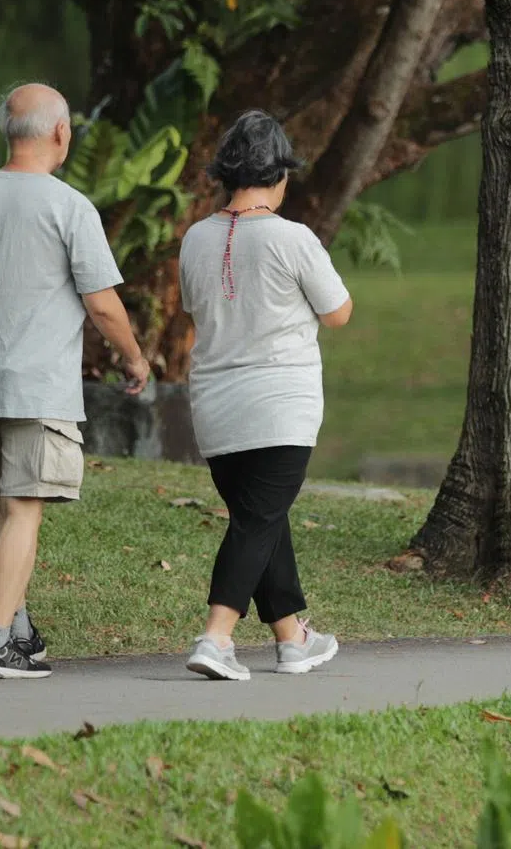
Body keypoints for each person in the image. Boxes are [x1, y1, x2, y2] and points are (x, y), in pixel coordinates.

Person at [0, 82, 151, 680]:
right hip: (37, 384)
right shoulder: (68, 208)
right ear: (61, 134)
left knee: (0, 503)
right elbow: (105, 305)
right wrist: (135, 360)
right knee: (22, 504)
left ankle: (16, 627)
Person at [179, 110, 353, 681]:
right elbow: (339, 312)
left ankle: (293, 639)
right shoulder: (292, 237)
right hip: (280, 405)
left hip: (215, 408)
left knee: (261, 518)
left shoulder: (195, 239)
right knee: (256, 521)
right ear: (279, 174)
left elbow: (199, 310)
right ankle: (215, 638)